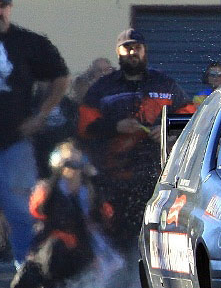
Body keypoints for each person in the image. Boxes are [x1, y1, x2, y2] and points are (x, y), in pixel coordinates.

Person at [79, 28, 195, 253]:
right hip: (114, 179)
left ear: (145, 51)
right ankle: (125, 273)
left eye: (137, 47)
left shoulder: (165, 84)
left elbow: (192, 119)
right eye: (127, 48)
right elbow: (83, 128)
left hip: (160, 177)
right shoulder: (102, 88)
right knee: (118, 237)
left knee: (158, 235)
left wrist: (167, 130)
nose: (133, 52)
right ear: (118, 52)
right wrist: (115, 127)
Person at [0, 0, 69, 288]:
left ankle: (30, 286)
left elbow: (61, 76)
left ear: (10, 8)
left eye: (2, 5)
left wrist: (41, 115)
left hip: (14, 145)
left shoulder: (28, 43)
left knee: (22, 217)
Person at [10, 140, 116, 288]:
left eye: (75, 163)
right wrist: (55, 180)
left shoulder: (88, 190)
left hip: (82, 243)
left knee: (99, 259)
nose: (72, 168)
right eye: (67, 163)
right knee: (55, 249)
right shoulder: (48, 188)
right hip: (51, 245)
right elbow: (39, 210)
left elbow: (104, 216)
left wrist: (94, 180)